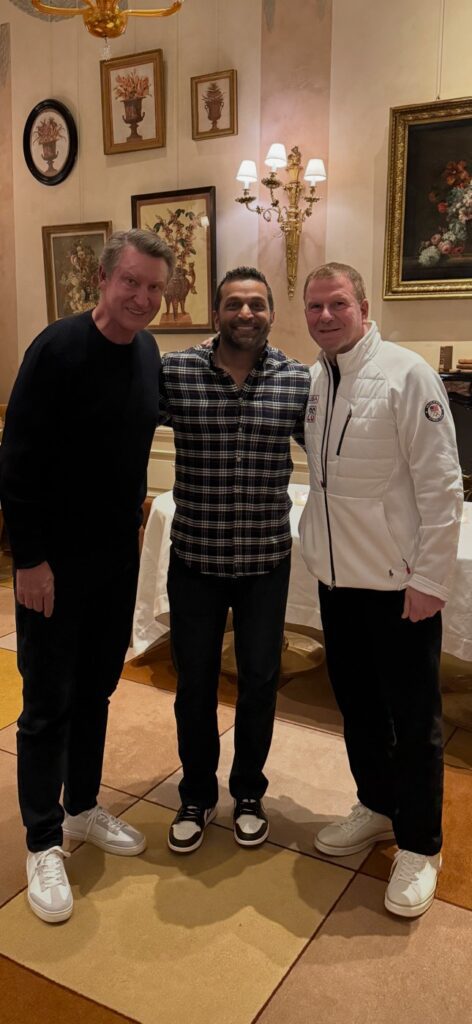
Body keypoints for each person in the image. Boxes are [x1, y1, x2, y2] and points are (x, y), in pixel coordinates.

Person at [0, 228, 174, 923]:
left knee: (98, 689)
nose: (142, 298)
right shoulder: (58, 349)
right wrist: (30, 561)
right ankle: (42, 838)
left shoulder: (148, 352)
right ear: (101, 280)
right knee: (48, 700)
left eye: (155, 288)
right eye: (131, 282)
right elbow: (16, 462)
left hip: (113, 556)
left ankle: (83, 806)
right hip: (53, 561)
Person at [300, 261, 463, 918]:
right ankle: (375, 805)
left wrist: (429, 580)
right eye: (314, 307)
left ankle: (421, 844)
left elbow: (442, 486)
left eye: (337, 304)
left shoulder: (407, 374)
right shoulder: (315, 380)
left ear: (364, 308)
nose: (324, 316)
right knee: (359, 710)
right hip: (340, 585)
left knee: (415, 723)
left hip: (400, 590)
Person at [160, 267, 310, 854]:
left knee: (260, 681)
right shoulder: (175, 372)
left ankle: (248, 791)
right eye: (233, 304)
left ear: (271, 312)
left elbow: (332, 454)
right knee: (193, 684)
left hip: (265, 562)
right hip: (195, 557)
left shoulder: (297, 381)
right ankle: (196, 794)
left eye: (256, 304)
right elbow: (117, 431)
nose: (245, 314)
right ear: (216, 311)